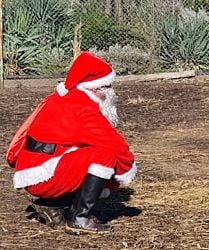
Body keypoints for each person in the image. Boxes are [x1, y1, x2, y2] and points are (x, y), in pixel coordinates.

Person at [5, 51, 137, 234]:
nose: (111, 92)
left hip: (36, 165)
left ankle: (50, 205)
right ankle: (78, 218)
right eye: (108, 87)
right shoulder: (82, 108)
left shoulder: (66, 97)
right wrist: (127, 168)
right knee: (104, 156)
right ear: (96, 88)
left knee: (92, 153)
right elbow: (114, 144)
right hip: (42, 171)